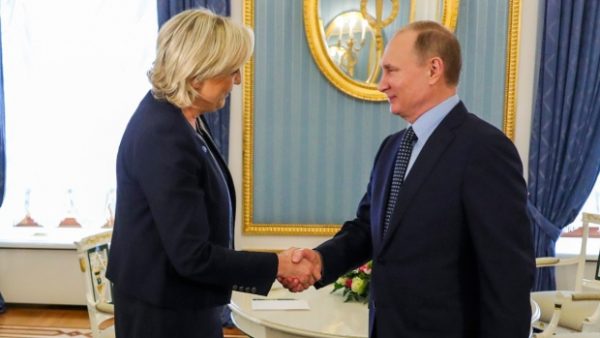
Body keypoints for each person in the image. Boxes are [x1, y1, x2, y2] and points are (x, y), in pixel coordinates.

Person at [282, 21, 535, 338]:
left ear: (433, 70)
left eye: (391, 71)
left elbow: (508, 274)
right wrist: (320, 260)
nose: (381, 84)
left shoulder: (485, 149)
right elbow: (368, 230)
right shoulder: (392, 148)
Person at [105, 9, 319, 338]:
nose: (238, 80)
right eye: (232, 70)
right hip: (164, 314)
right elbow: (192, 256)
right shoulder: (164, 135)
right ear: (196, 74)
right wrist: (277, 264)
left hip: (182, 300)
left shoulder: (181, 117)